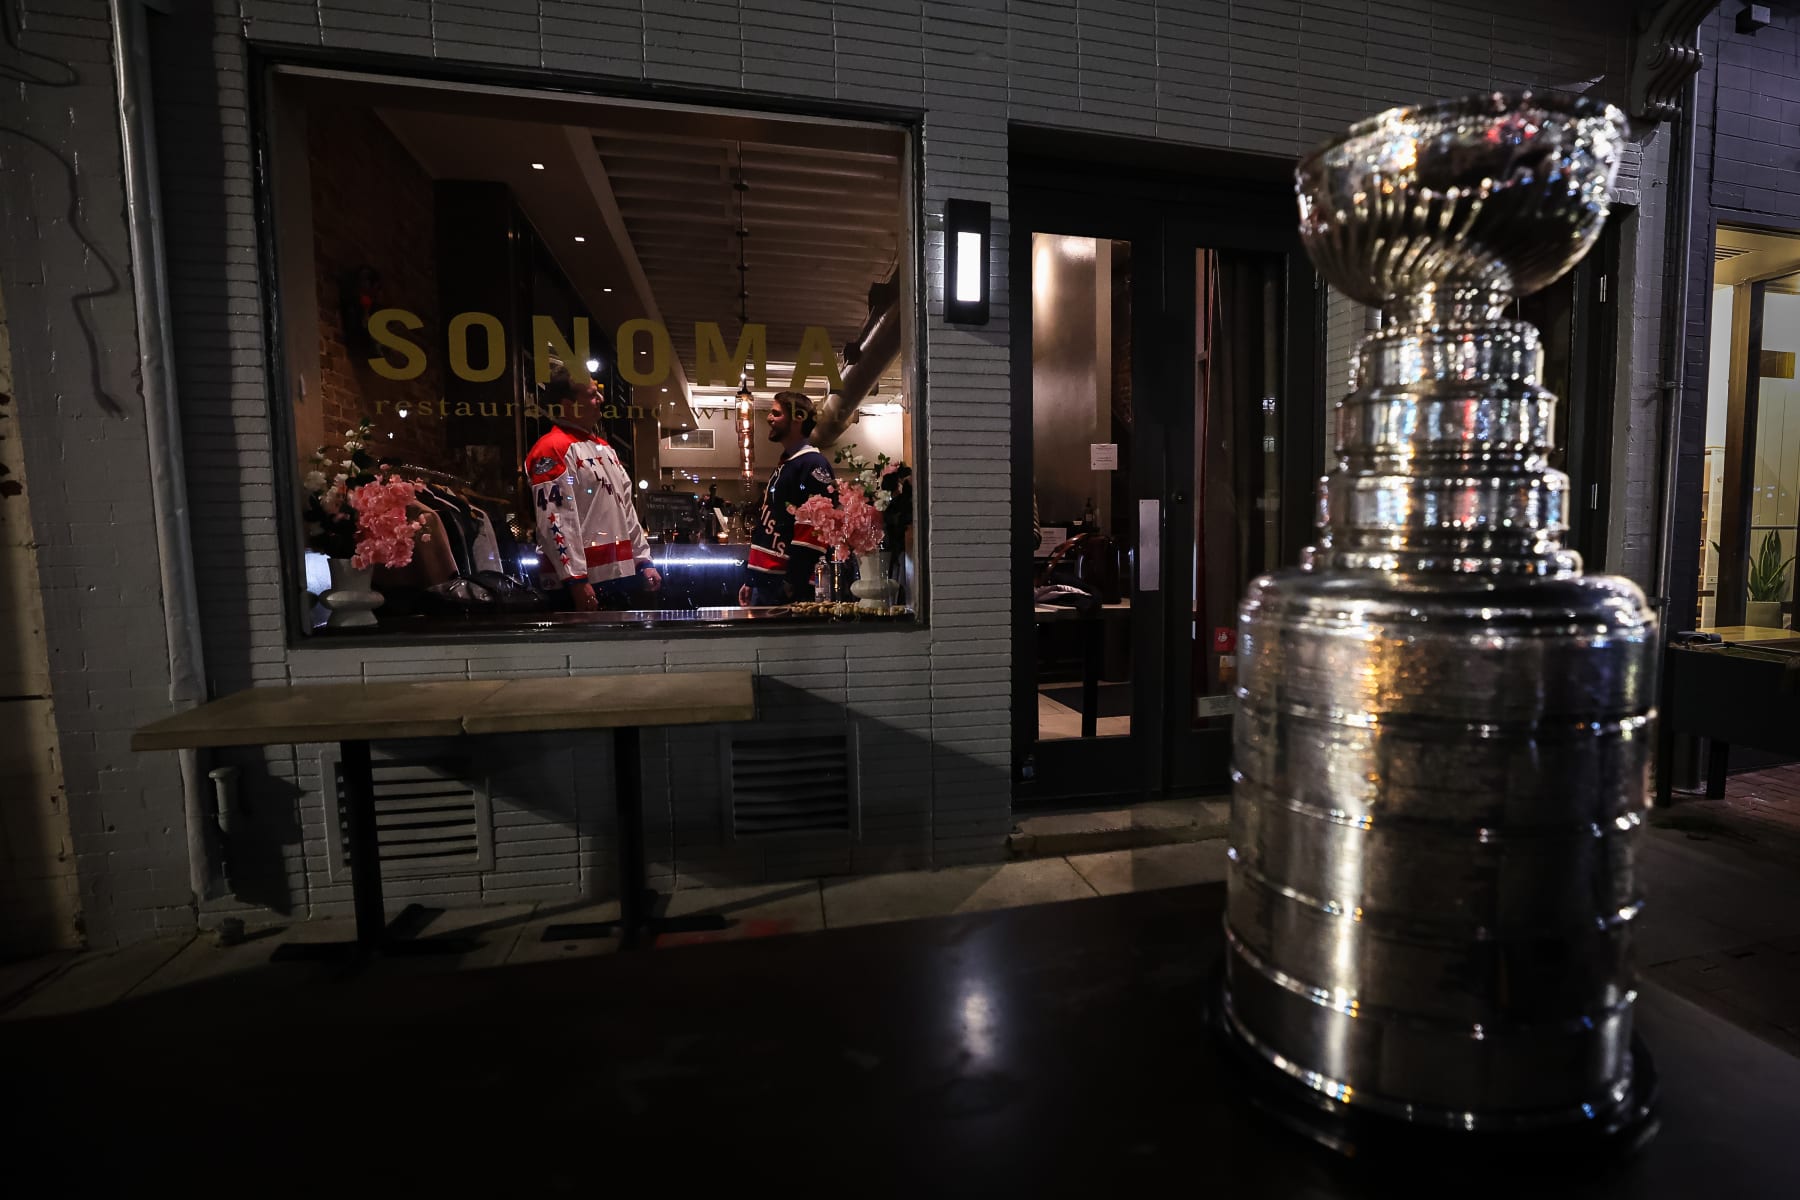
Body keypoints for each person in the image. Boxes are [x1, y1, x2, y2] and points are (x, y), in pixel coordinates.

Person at [523, 360, 661, 612]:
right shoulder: (551, 448)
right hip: (578, 583)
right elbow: (556, 519)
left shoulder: (604, 449)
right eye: (591, 394)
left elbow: (625, 508)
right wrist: (575, 579)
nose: (600, 398)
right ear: (568, 404)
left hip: (616, 574)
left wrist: (643, 560)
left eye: (598, 392)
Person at [739, 391, 835, 606]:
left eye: (776, 413)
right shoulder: (790, 463)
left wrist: (792, 583)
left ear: (798, 418)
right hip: (769, 581)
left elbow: (815, 528)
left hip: (782, 584)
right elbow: (769, 524)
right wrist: (753, 579)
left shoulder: (812, 464)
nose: (769, 418)